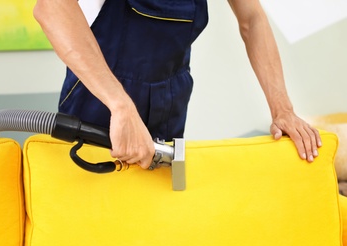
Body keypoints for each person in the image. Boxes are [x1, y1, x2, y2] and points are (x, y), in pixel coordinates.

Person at [33, 0, 322, 169]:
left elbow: (252, 18)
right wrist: (121, 106)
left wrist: (282, 109)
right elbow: (51, 8)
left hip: (169, 99)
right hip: (99, 99)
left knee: (156, 223)